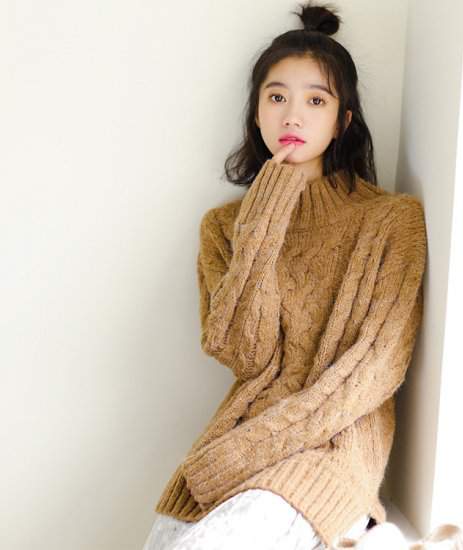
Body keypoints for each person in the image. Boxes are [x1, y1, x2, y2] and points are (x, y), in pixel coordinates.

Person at [144, 1, 428, 549]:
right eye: (276, 98)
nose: (292, 116)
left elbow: (375, 370)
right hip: (234, 446)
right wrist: (265, 214)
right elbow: (245, 355)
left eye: (315, 100)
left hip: (331, 451)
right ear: (256, 113)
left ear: (343, 121)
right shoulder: (223, 227)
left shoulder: (392, 221)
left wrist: (250, 451)